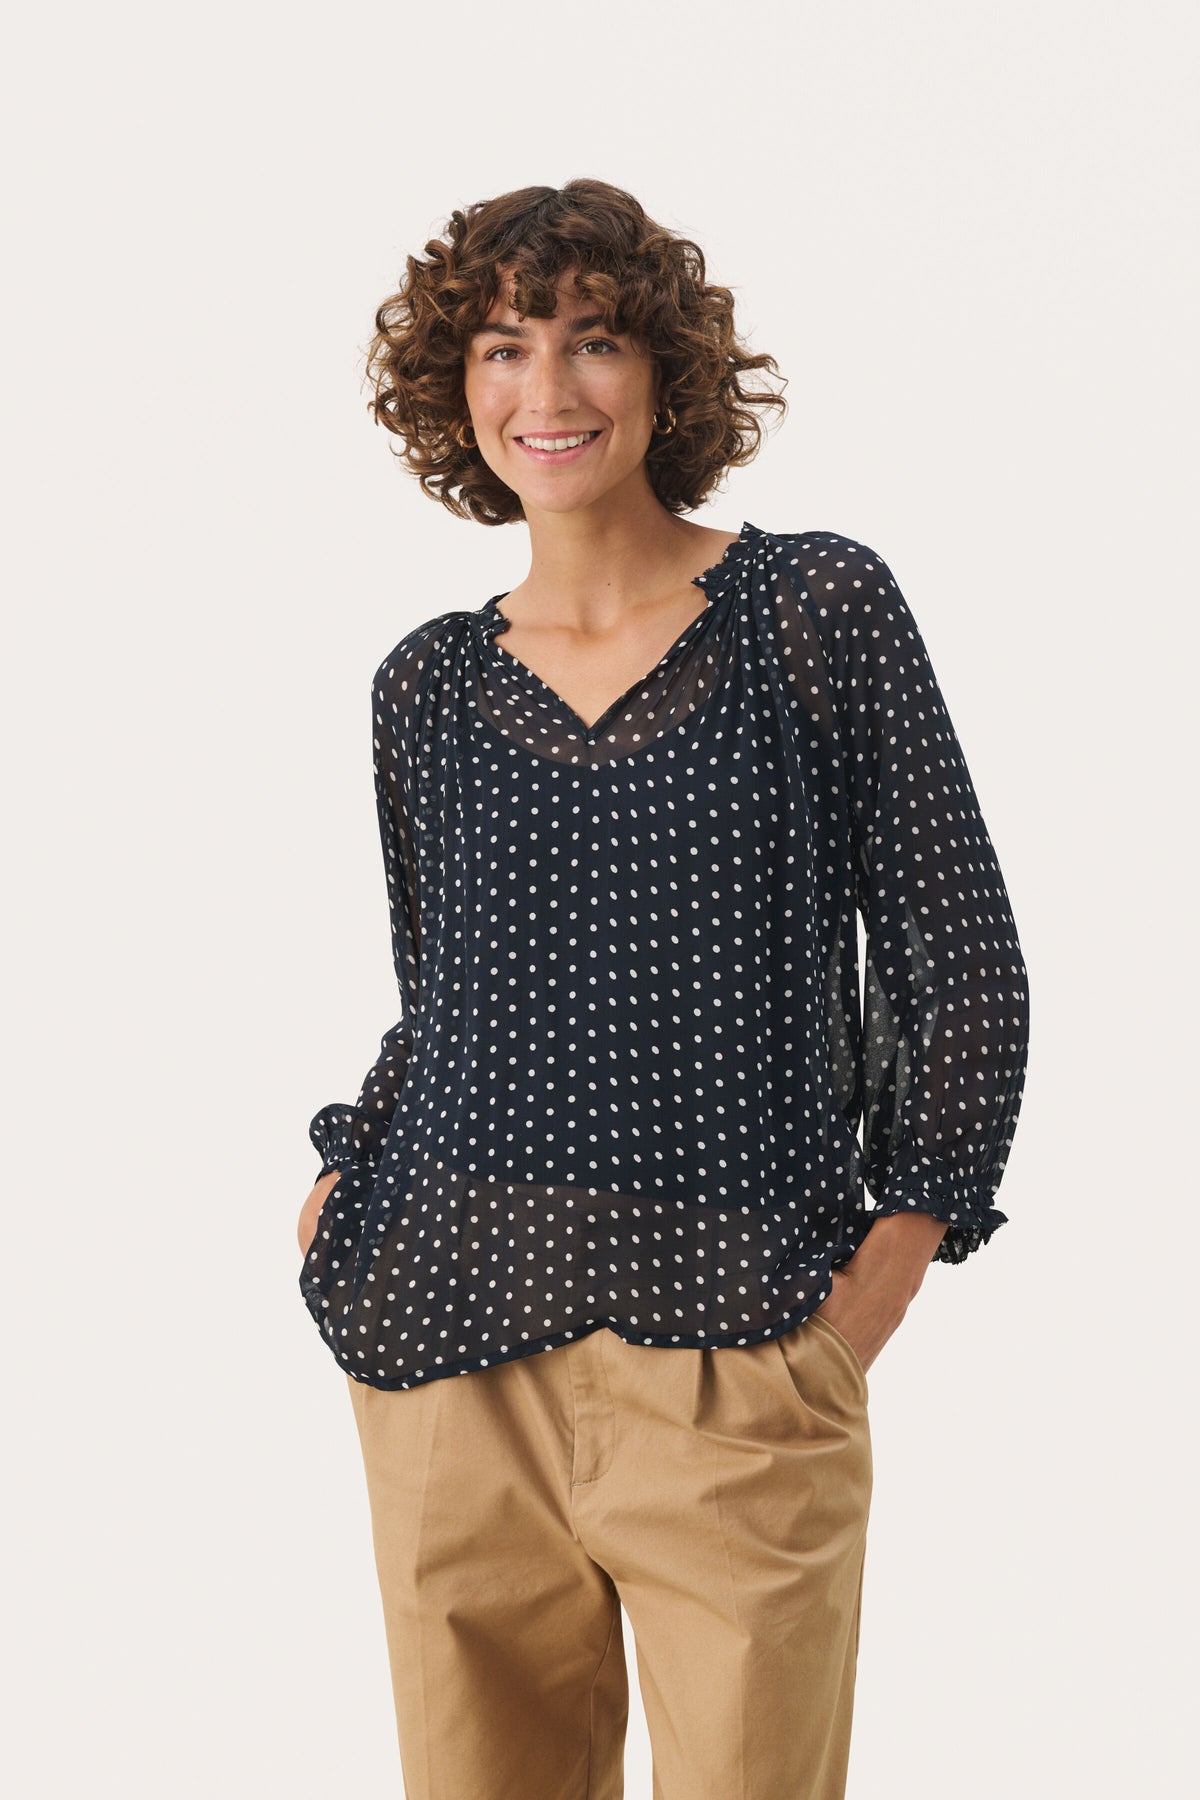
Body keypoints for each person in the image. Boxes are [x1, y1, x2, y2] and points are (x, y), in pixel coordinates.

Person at [295, 179, 1030, 1800]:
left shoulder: (812, 611)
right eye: (504, 347)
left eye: (594, 340)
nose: (547, 390)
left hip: (738, 1349)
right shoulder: (426, 686)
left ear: (665, 372)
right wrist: (345, 1187)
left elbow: (961, 959)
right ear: (454, 387)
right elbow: (449, 994)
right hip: (448, 1348)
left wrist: (873, 1290)